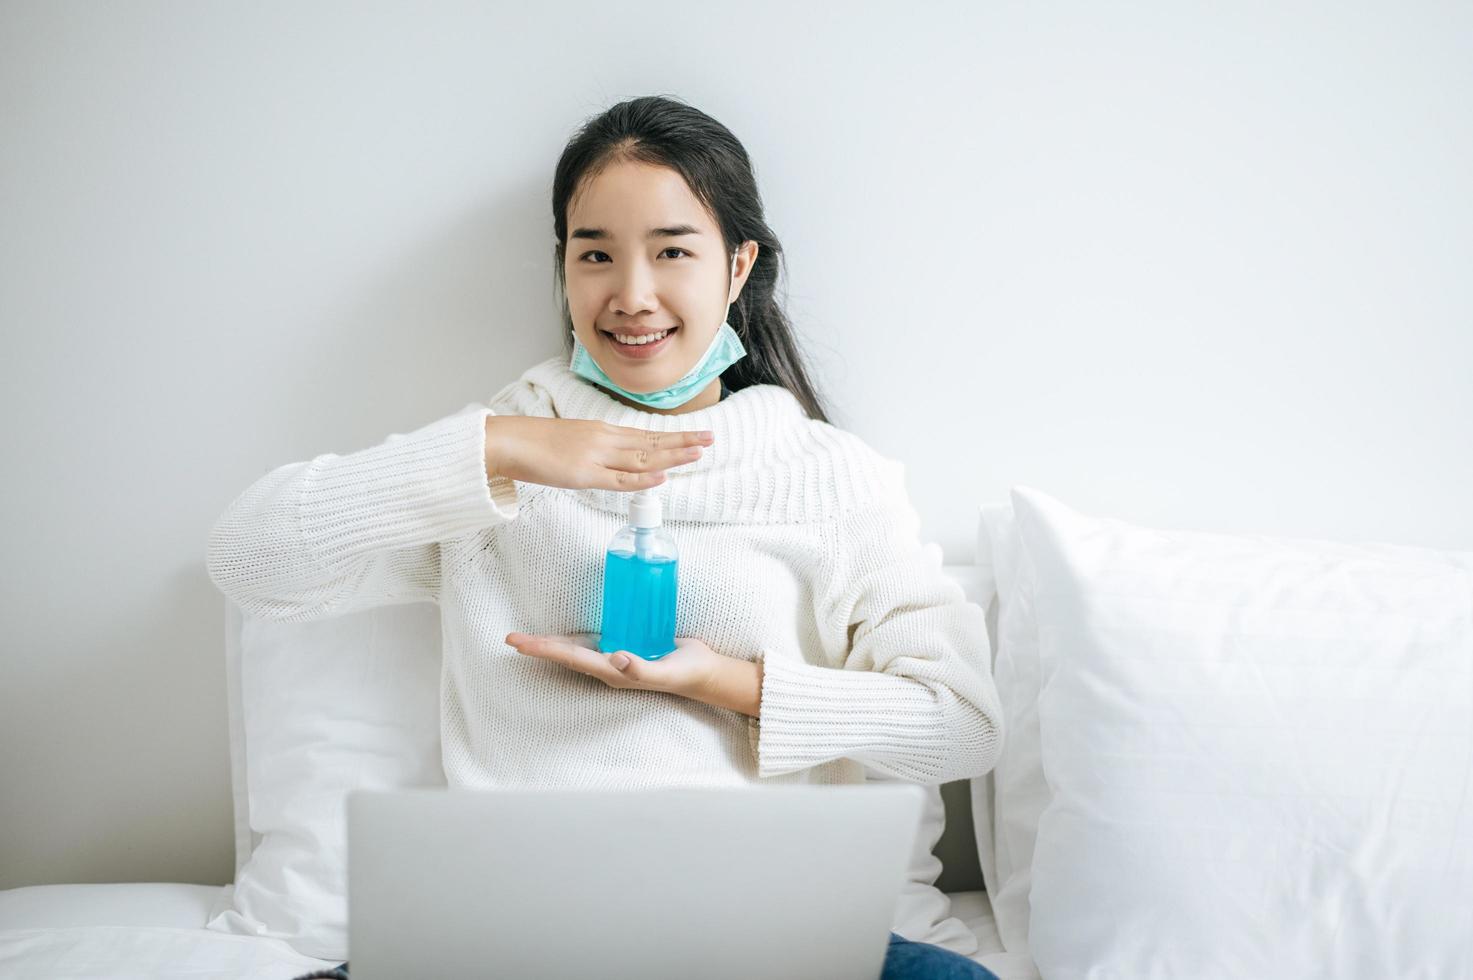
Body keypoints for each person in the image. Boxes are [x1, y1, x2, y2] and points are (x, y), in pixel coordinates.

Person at [211, 94, 1003, 980]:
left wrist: (726, 684)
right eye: (595, 255)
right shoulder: (496, 462)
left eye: (672, 251)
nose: (631, 296)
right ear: (563, 269)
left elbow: (962, 728)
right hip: (518, 931)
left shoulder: (832, 478)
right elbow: (251, 562)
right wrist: (502, 447)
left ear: (737, 267)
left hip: (761, 930)